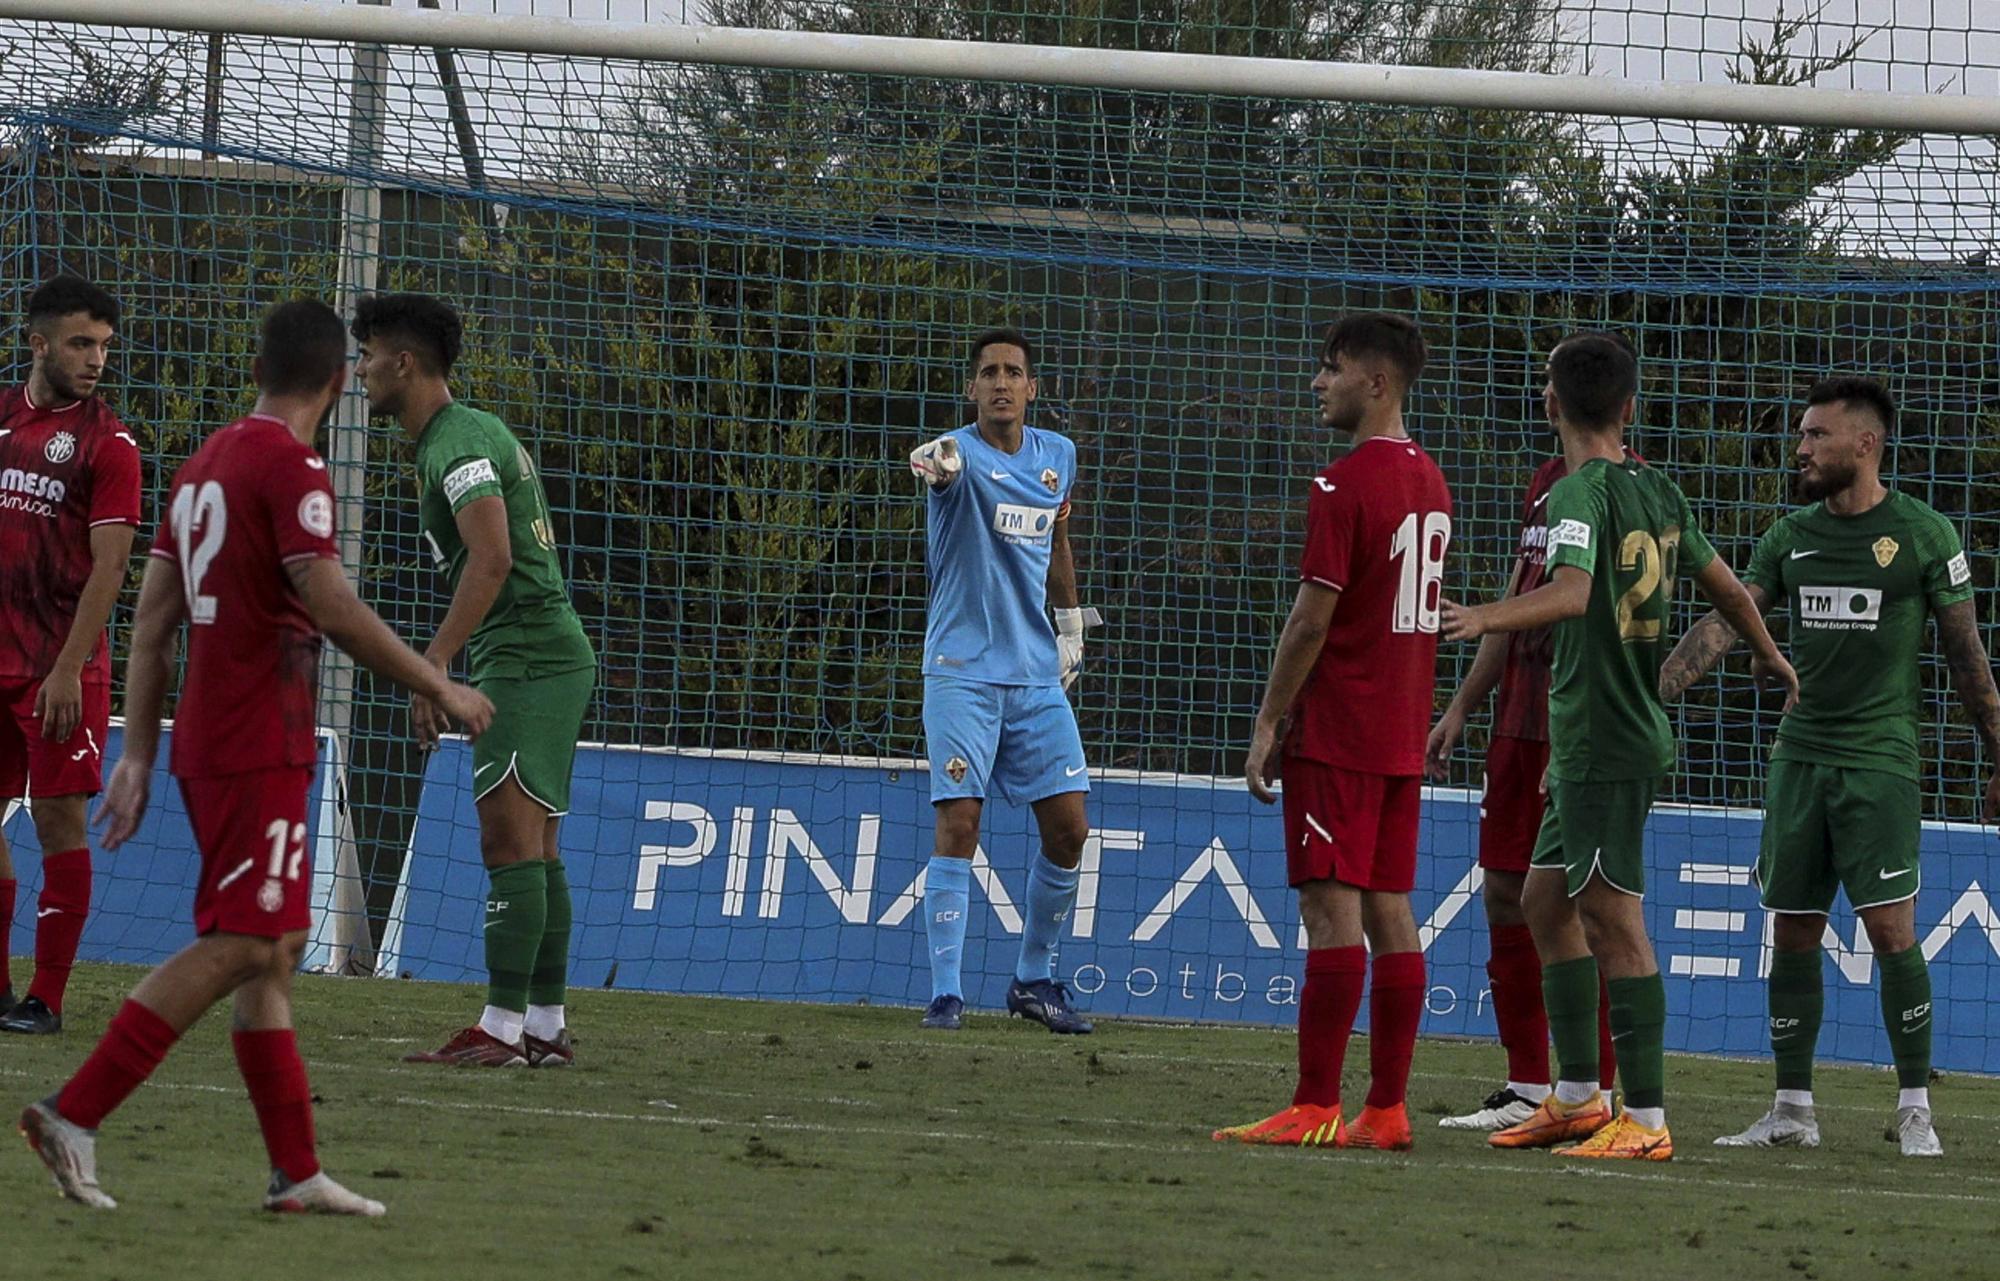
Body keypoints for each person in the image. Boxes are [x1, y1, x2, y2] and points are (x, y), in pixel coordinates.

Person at [19, 299, 494, 1213]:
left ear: (259, 371)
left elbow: (153, 623)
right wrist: (437, 683)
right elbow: (330, 602)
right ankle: (74, 1112)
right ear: (339, 380)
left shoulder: (207, 461)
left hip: (210, 738)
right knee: (245, 940)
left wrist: (141, 752)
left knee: (273, 949)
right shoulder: (291, 464)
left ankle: (296, 1168)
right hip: (256, 738)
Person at [1441, 333, 1796, 1161]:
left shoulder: (1577, 495)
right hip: (1596, 737)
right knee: (1542, 901)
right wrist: (1769, 653)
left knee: (1613, 917)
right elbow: (1727, 586)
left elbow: (1571, 593)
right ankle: (1575, 1095)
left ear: (1552, 403)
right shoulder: (1658, 488)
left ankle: (1646, 1119)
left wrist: (1483, 616)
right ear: (1629, 408)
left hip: (1606, 736)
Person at [1660, 375, 1998, 1159]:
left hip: (1879, 758)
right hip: (1800, 755)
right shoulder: (1789, 536)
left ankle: (1915, 1106)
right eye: (1803, 435)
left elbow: (1967, 658)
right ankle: (1791, 1106)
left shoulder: (1924, 534)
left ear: (1865, 444)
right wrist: (1658, 692)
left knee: (1889, 929)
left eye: (1817, 435)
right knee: (1795, 929)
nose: (1802, 448)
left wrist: (1998, 757)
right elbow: (1727, 620)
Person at [1212, 313, 1449, 1151]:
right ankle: (1387, 1106)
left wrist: (1269, 718)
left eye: (1332, 367)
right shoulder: (1432, 479)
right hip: (1399, 729)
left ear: (1375, 383)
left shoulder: (1342, 485)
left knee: (1328, 904)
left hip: (1341, 727)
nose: (1318, 382)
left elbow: (1311, 622)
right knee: (1391, 906)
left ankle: (1316, 1103)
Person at [352, 295, 598, 1069]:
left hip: (525, 656)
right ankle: (545, 1027)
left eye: (368, 356)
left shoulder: (455, 446)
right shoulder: (466, 433)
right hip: (543, 653)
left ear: (404, 362)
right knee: (538, 847)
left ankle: (499, 1029)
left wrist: (434, 668)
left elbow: (490, 559)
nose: (359, 372)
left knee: (510, 842)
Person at [907, 327, 1099, 1033]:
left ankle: (1033, 978)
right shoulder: (956, 455)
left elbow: (1058, 538)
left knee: (1071, 828)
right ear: (972, 388)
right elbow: (933, 462)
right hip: (961, 672)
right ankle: (946, 994)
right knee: (960, 821)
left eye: (1012, 372)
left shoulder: (1058, 457)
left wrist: (1071, 624)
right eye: (987, 371)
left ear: (1031, 388)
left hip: (1033, 675)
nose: (1000, 382)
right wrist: (935, 459)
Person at [1426, 451, 1621, 1129]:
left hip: (1575, 724)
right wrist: (1460, 707)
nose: (1545, 390)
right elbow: (1517, 601)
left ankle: (1591, 1087)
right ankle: (1527, 1086)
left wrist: (1582, 733)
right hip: (1517, 722)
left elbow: (1606, 617)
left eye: (1555, 377)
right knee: (1505, 892)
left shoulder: (1625, 490)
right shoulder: (1544, 481)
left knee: (1583, 906)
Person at [0, 276, 140, 1035]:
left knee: (58, 821)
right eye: (82, 343)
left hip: (59, 668)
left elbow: (112, 569)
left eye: (104, 347)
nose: (95, 360)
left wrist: (66, 666)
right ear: (38, 342)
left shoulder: (108, 445)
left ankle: (45, 998)